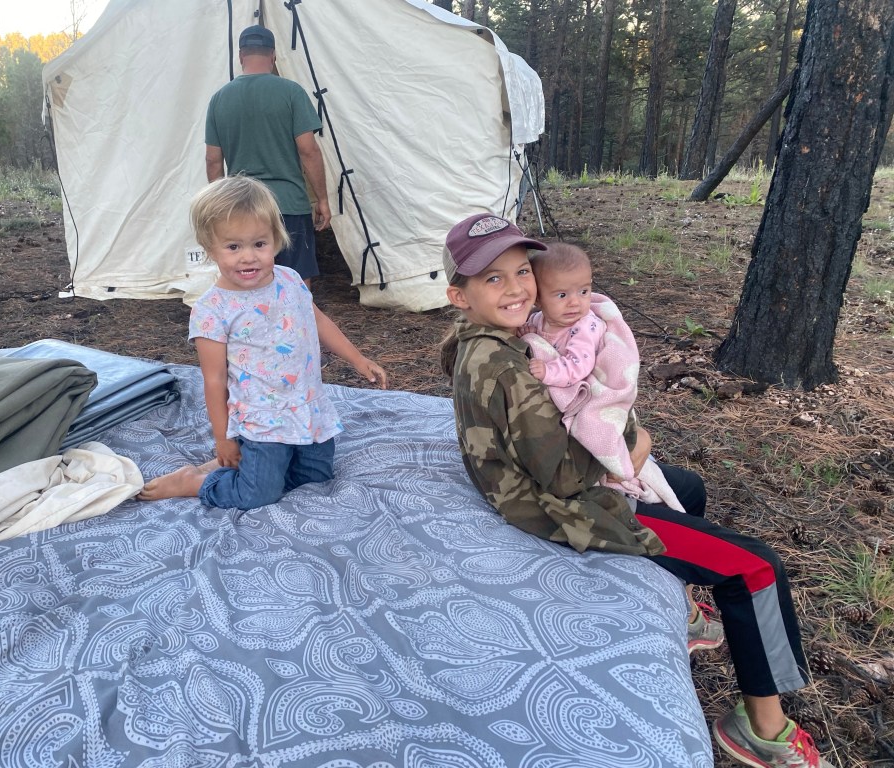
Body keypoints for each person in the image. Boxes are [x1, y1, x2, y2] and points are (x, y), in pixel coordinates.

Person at [438, 212, 833, 768]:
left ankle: (686, 614)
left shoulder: (490, 339)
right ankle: (761, 730)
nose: (518, 288)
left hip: (532, 485)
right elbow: (564, 478)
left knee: (688, 487)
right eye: (493, 278)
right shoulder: (505, 367)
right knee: (755, 568)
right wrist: (633, 442)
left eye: (522, 271)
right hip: (562, 508)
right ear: (460, 295)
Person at [522, 241, 724, 654]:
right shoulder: (538, 323)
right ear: (538, 297)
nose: (576, 302)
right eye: (562, 294)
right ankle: (683, 601)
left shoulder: (584, 327)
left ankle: (682, 591)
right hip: (565, 476)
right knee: (681, 494)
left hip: (598, 400)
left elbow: (580, 366)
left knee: (684, 487)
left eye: (584, 290)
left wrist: (548, 370)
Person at [138, 176, 386, 509]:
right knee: (258, 495)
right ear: (210, 248)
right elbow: (214, 380)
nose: (248, 257)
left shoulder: (290, 280)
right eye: (233, 247)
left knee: (315, 479)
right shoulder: (213, 309)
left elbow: (318, 321)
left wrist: (358, 359)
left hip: (306, 406)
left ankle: (246, 467)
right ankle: (197, 481)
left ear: (276, 239)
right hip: (261, 419)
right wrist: (223, 438)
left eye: (259, 244)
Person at [204, 24, 330, 286]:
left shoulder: (219, 99)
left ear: (241, 56)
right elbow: (308, 150)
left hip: (243, 205)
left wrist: (220, 206)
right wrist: (322, 199)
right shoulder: (292, 92)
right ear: (273, 56)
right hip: (289, 204)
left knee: (248, 277)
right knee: (295, 280)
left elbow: (213, 160)